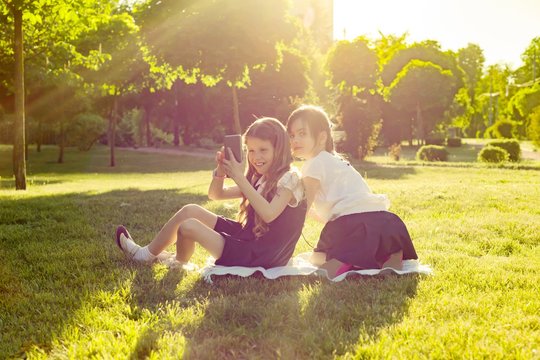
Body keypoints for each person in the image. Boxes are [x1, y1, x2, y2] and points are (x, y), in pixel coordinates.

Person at [115, 117, 306, 269]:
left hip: (261, 254)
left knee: (188, 226)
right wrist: (220, 172)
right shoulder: (260, 179)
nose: (256, 157)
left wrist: (239, 177)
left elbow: (269, 214)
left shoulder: (290, 179)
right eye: (251, 150)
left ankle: (178, 263)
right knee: (190, 210)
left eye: (263, 150)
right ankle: (145, 254)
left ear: (279, 149)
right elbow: (216, 195)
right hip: (247, 237)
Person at [286, 105, 418, 278]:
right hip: (385, 222)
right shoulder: (337, 161)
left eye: (302, 133)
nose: (295, 140)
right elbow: (342, 207)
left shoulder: (313, 164)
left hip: (350, 227)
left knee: (315, 257)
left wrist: (285, 244)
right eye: (292, 135)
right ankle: (390, 256)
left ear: (321, 137)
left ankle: (345, 260)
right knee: (365, 244)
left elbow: (304, 208)